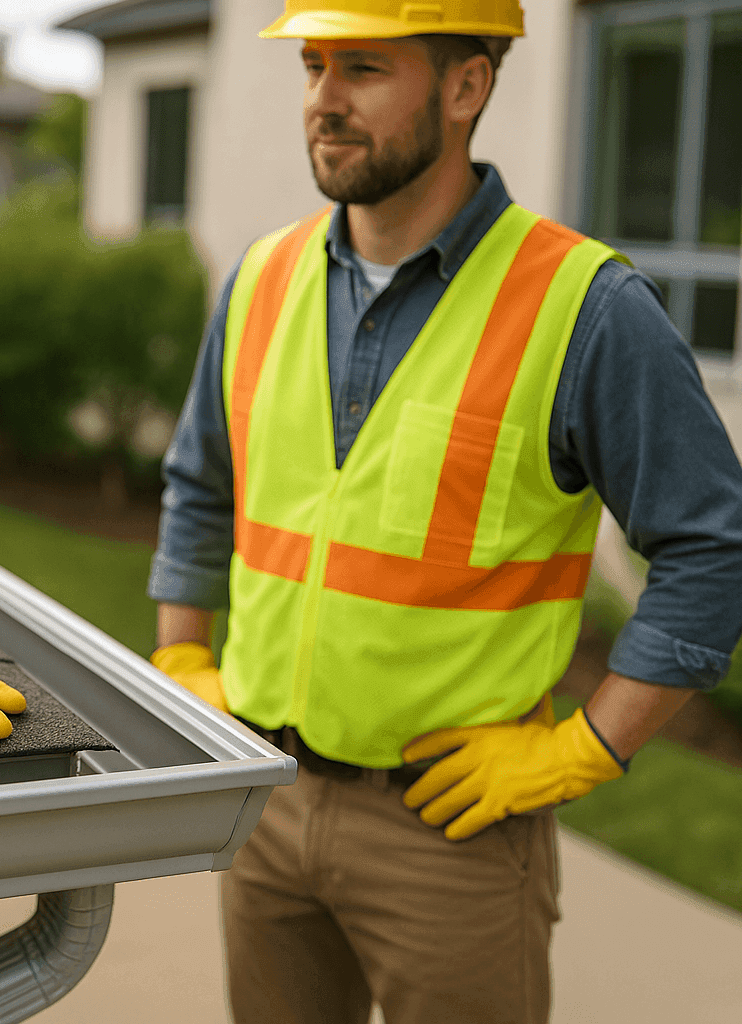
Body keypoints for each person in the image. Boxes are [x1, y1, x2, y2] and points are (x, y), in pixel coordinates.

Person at [145, 2, 742, 1022]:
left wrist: (584, 748)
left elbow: (711, 549)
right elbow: (202, 485)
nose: (324, 100)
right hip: (263, 799)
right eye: (314, 66)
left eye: (364, 69)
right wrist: (182, 656)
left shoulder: (587, 307)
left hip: (448, 831)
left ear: (468, 87)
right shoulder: (260, 278)